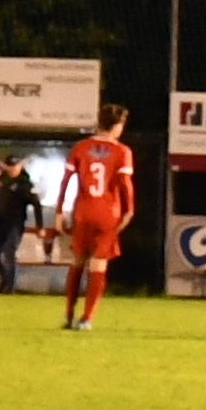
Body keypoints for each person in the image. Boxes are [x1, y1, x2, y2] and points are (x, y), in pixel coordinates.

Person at [51, 104, 136, 330]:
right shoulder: (122, 151)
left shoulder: (81, 147)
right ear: (116, 126)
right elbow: (125, 184)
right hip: (108, 213)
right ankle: (86, 318)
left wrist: (59, 211)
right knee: (98, 265)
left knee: (78, 261)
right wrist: (129, 210)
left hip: (83, 211)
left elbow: (66, 180)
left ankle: (68, 314)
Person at [0, 157, 43, 292]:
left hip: (15, 224)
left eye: (15, 166)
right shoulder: (2, 181)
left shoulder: (24, 184)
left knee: (9, 251)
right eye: (10, 166)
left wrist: (40, 226)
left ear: (20, 166)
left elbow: (36, 205)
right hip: (0, 224)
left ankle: (10, 286)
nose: (12, 168)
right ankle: (5, 280)